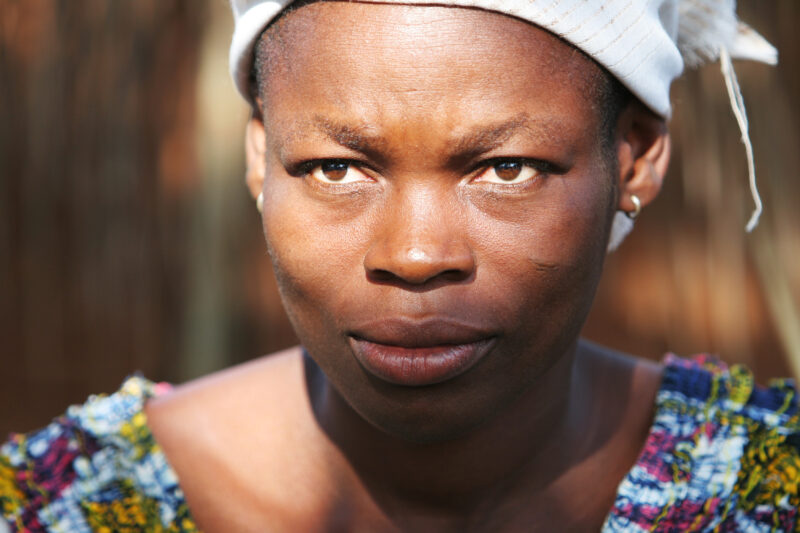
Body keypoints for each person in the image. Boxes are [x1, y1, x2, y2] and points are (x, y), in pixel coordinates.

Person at [2, 0, 798, 531]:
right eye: (336, 168)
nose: (415, 255)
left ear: (635, 158)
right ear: (259, 157)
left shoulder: (770, 486)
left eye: (507, 168)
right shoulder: (67, 504)